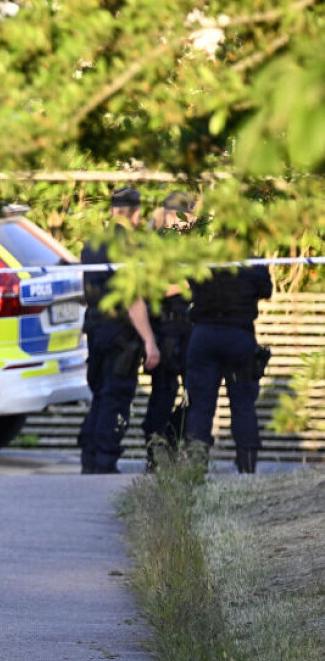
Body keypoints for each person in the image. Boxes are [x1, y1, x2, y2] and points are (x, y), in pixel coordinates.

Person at [77, 186, 161, 474]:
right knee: (116, 396)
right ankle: (104, 460)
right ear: (136, 214)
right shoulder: (129, 247)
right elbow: (133, 298)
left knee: (100, 393)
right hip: (120, 333)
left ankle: (90, 457)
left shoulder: (91, 244)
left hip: (95, 328)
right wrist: (150, 341)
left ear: (113, 210)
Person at [183, 261, 273, 473]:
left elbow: (190, 283)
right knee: (243, 404)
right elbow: (266, 291)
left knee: (200, 406)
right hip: (238, 335)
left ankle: (196, 466)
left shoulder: (204, 257)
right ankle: (247, 467)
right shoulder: (251, 261)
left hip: (204, 335)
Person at [141, 192, 197, 470]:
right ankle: (155, 450)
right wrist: (188, 284)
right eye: (190, 215)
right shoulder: (156, 246)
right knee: (163, 392)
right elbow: (150, 289)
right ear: (175, 216)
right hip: (165, 327)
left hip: (187, 327)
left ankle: (170, 440)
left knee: (195, 393)